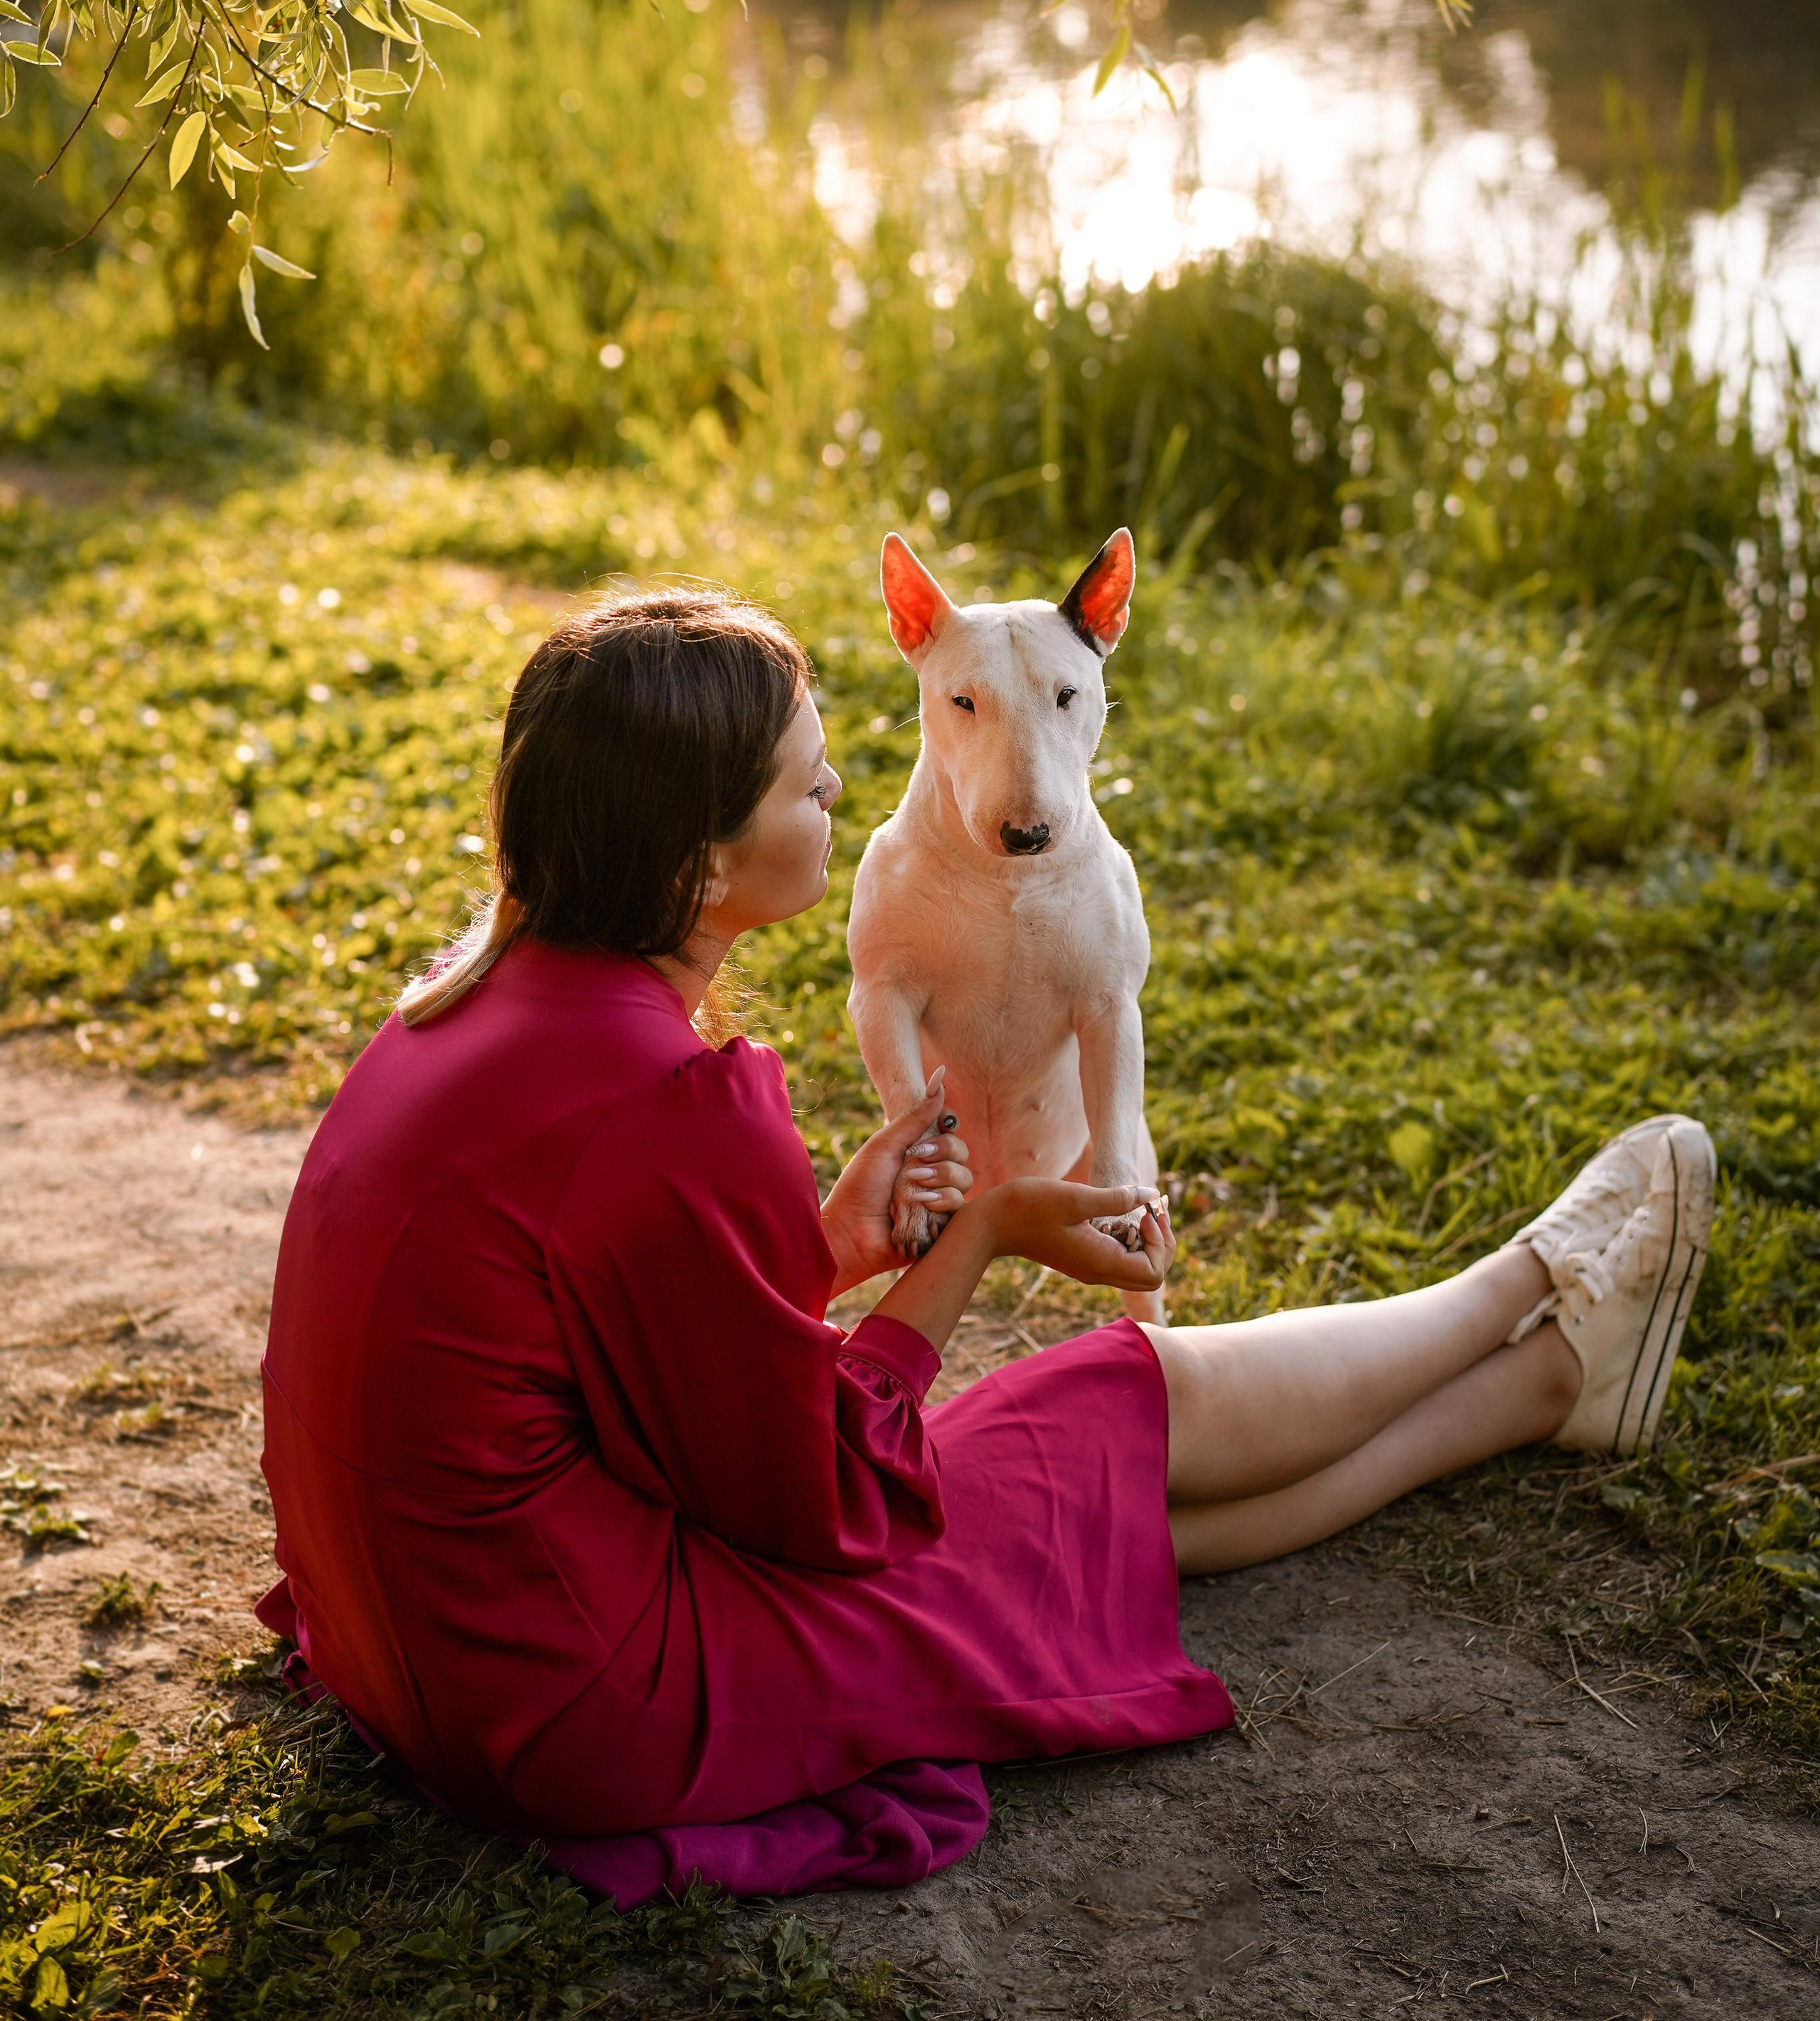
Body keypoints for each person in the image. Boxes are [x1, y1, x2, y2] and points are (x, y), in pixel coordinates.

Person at [257, 587, 1714, 1907]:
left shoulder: (456, 1013)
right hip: (596, 1707)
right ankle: (1523, 1282)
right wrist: (982, 1237)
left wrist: (832, 1241)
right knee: (1095, 1412)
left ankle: (1545, 1386)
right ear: (699, 862)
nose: (837, 787)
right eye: (797, 777)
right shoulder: (672, 1104)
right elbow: (825, 1500)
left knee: (1092, 1526)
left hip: (439, 1659)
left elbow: (613, 1319)